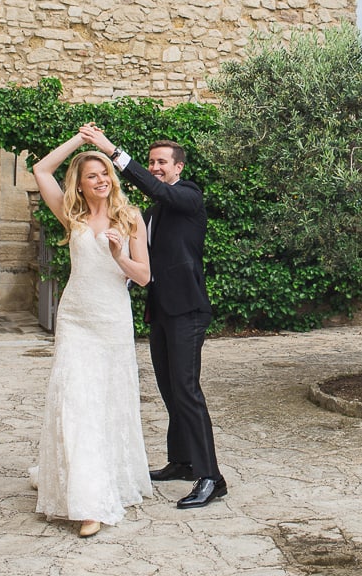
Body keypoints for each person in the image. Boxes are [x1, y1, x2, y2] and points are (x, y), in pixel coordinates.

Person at [79, 123, 227, 510]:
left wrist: (113, 151)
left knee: (187, 389)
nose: (155, 167)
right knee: (169, 389)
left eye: (162, 162)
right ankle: (182, 461)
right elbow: (141, 261)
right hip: (160, 310)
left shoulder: (188, 195)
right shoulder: (153, 212)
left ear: (178, 168)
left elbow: (156, 188)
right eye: (151, 162)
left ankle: (212, 476)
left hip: (187, 310)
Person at [30, 130, 153, 538]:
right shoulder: (73, 215)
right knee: (74, 402)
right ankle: (86, 502)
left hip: (111, 321)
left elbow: (144, 277)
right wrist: (81, 143)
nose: (101, 179)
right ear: (80, 184)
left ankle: (103, 486)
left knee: (105, 404)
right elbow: (41, 169)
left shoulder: (130, 217)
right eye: (91, 175)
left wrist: (119, 254)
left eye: (104, 173)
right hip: (76, 321)